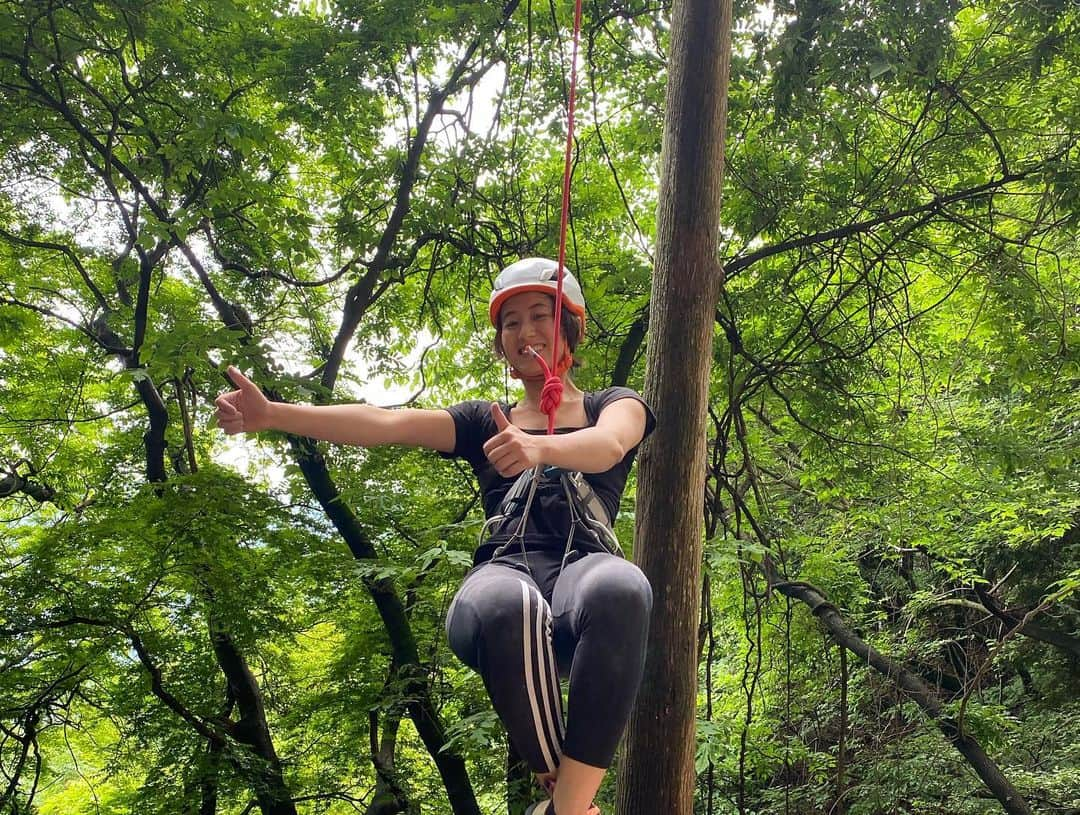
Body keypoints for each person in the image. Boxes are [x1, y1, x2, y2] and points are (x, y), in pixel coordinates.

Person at [215, 258, 655, 815]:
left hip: (582, 584)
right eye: (511, 322)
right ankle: (568, 801)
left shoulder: (613, 404)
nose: (525, 333)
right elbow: (383, 423)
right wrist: (274, 413)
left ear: (569, 325)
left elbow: (610, 445)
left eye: (540, 315)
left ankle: (567, 808)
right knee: (508, 602)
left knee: (622, 585)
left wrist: (539, 446)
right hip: (506, 579)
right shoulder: (481, 420)